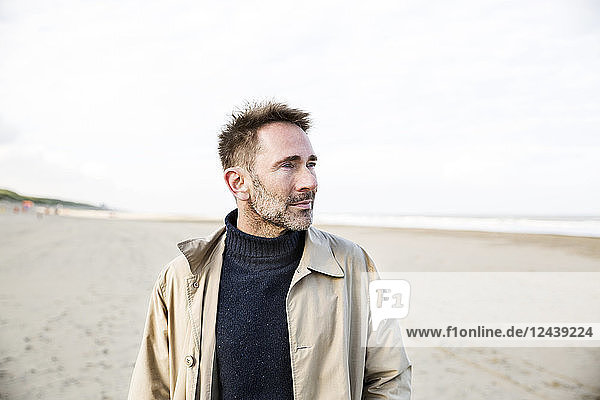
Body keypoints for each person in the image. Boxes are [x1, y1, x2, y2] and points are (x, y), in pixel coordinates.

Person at [128, 101, 412, 400]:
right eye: (289, 165)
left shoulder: (352, 264)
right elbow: (152, 386)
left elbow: (389, 377)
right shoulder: (181, 277)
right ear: (238, 183)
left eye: (311, 164)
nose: (310, 181)